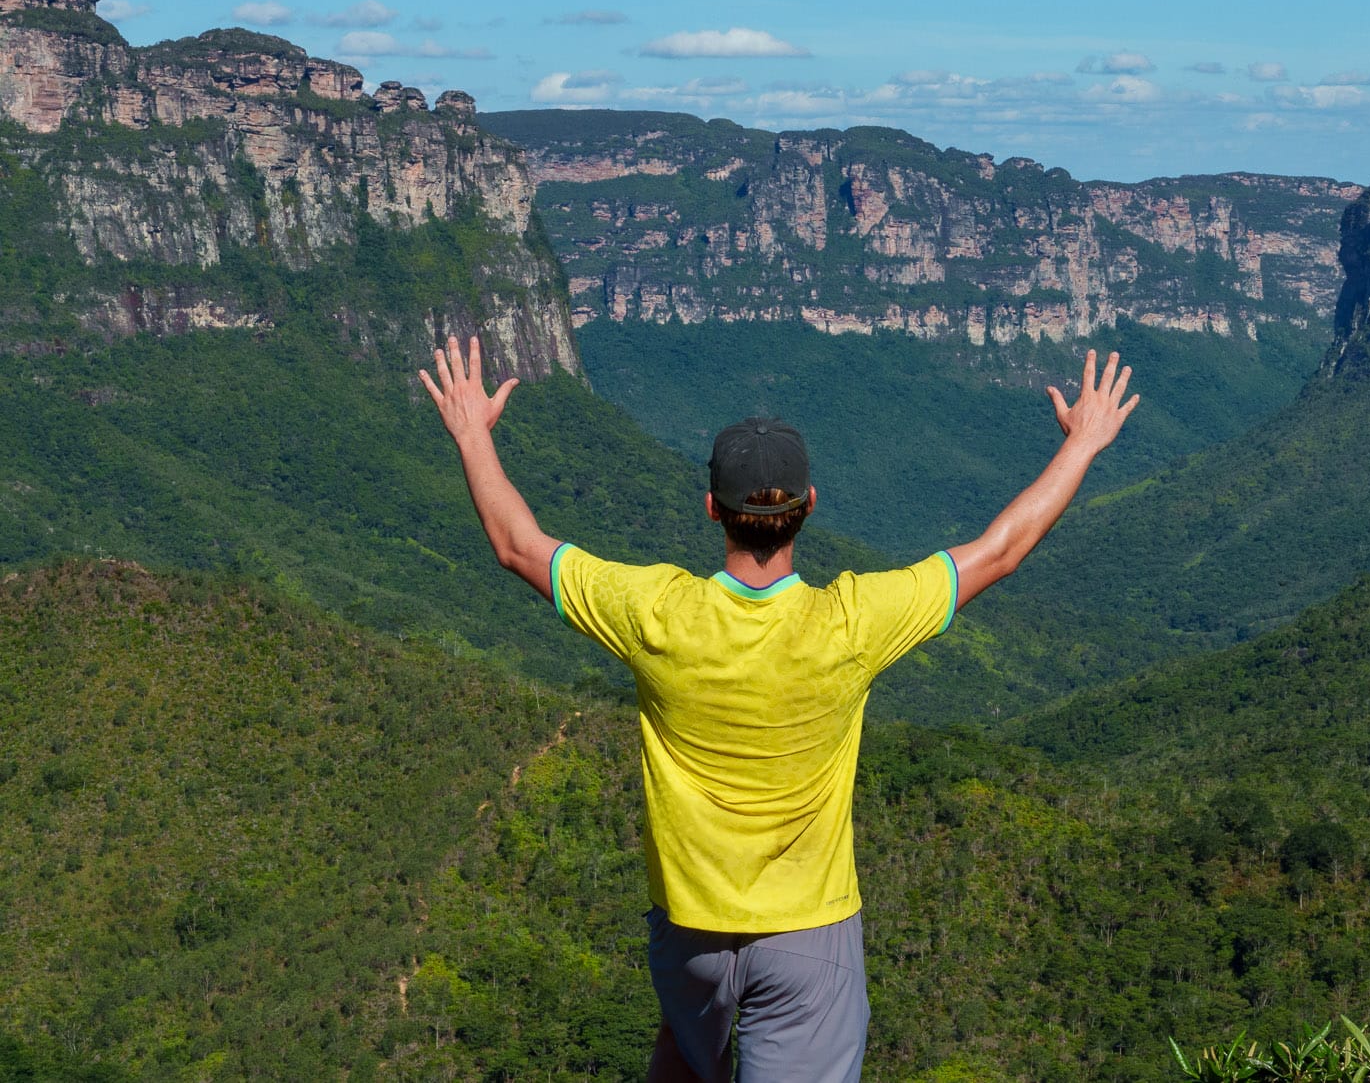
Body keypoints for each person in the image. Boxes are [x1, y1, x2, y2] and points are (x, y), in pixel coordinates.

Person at [418, 335, 1139, 1082]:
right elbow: (1000, 550)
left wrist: (471, 431)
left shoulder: (655, 613)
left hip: (689, 938)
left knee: (685, 1057)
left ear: (711, 508)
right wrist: (1084, 442)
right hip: (808, 936)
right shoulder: (851, 623)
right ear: (809, 508)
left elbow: (516, 544)